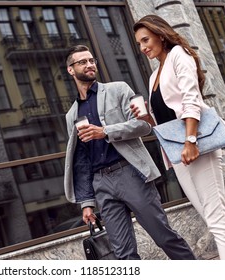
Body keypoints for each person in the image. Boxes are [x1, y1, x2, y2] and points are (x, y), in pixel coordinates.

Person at [133, 14, 225, 260]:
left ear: (160, 34)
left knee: (217, 219)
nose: (143, 47)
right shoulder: (153, 75)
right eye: (138, 43)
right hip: (175, 150)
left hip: (196, 142)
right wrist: (147, 119)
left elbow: (191, 100)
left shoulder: (179, 54)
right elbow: (167, 115)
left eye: (146, 39)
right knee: (214, 220)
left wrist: (191, 141)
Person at [63, 44, 196, 260]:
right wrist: (87, 203)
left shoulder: (118, 90)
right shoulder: (72, 114)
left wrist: (105, 131)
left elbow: (144, 126)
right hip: (101, 185)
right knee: (123, 255)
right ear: (70, 70)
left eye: (91, 60)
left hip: (130, 174)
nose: (89, 65)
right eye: (82, 62)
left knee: (164, 237)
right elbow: (82, 161)